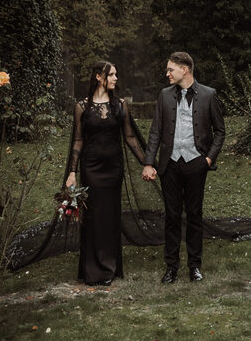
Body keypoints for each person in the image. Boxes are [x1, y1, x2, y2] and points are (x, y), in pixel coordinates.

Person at [142, 51, 225, 283]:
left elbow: (220, 131)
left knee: (195, 215)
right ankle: (171, 267)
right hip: (169, 164)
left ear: (184, 69)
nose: (167, 73)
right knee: (172, 216)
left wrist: (208, 159)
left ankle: (194, 266)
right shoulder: (164, 95)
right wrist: (149, 162)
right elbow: (156, 131)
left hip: (196, 163)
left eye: (171, 69)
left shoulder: (209, 95)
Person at [65, 61, 146, 286]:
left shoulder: (119, 105)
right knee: (92, 217)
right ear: (100, 77)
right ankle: (92, 271)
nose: (116, 79)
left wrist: (146, 162)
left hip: (113, 169)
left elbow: (130, 137)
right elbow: (78, 139)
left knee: (110, 216)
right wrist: (72, 171)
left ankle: (110, 267)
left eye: (116, 75)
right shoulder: (81, 106)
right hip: (91, 169)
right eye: (112, 75)